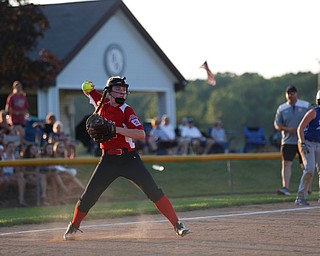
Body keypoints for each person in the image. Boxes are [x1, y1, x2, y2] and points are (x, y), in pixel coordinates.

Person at [63, 76, 190, 240]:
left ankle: (177, 224)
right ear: (108, 91)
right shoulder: (101, 102)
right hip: (108, 160)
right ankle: (73, 226)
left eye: (124, 90)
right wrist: (86, 86)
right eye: (118, 89)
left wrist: (116, 128)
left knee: (154, 191)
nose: (122, 92)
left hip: (129, 158)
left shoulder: (127, 110)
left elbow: (141, 134)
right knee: (89, 196)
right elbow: (88, 90)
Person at [274, 85, 311, 196]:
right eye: (288, 93)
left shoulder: (305, 105)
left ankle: (307, 189)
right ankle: (286, 188)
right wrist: (289, 129)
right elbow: (277, 124)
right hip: (288, 141)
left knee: (305, 165)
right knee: (286, 164)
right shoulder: (282, 108)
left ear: (297, 94)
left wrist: (301, 129)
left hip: (303, 140)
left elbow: (312, 119)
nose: (291, 95)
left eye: (293, 93)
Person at [294, 90, 320, 206]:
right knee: (310, 169)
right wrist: (302, 142)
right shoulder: (313, 112)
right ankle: (300, 197)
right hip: (307, 142)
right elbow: (300, 128)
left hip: (319, 144)